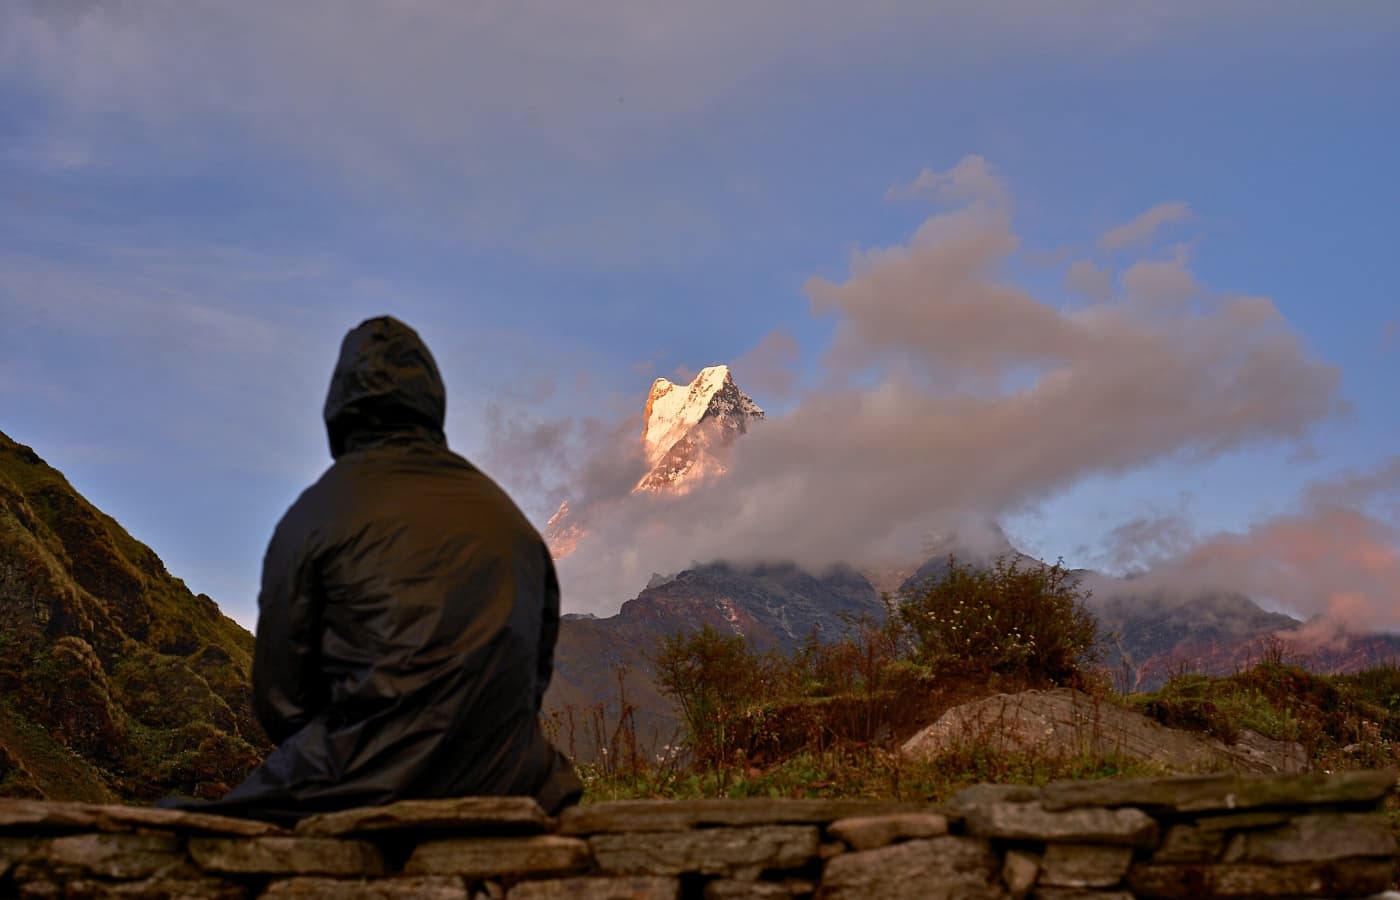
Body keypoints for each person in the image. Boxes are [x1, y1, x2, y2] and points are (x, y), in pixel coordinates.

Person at [170, 316, 580, 824]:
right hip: (511, 776)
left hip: (354, 777)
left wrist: (349, 740)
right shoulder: (510, 521)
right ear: (431, 400)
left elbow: (281, 695)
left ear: (340, 406)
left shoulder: (314, 515)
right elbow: (532, 673)